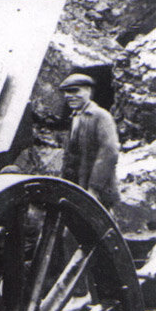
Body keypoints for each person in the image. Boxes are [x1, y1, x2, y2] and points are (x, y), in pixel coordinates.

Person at [59, 72, 121, 210]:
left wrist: (94, 188)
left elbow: (109, 153)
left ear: (88, 91)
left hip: (96, 191)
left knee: (99, 227)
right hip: (76, 188)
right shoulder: (74, 117)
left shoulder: (101, 116)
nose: (69, 96)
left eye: (74, 91)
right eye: (66, 92)